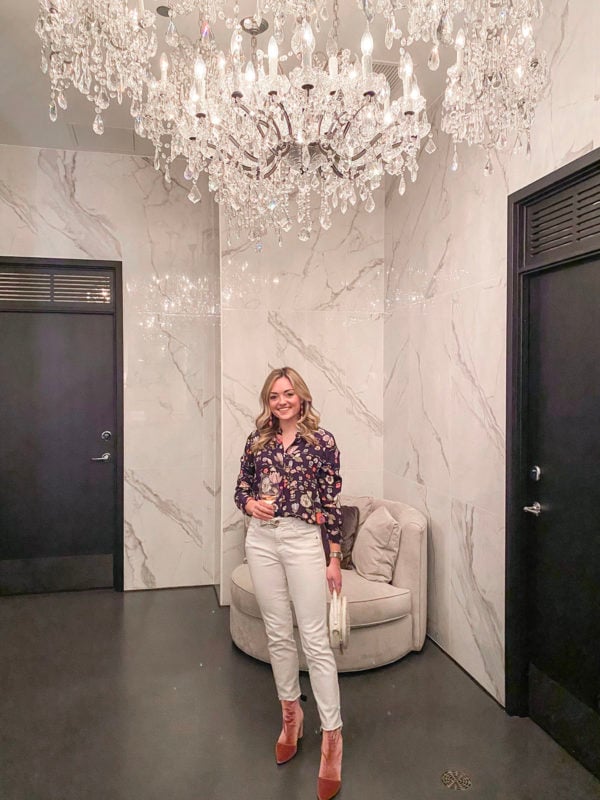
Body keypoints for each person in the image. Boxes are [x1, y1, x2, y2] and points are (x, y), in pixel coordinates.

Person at [234, 366, 344, 800]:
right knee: (278, 634)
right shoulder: (256, 440)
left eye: (288, 393)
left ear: (301, 397)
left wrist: (334, 556)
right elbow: (240, 487)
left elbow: (331, 500)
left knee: (315, 640)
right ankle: (291, 717)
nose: (281, 401)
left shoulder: (322, 442)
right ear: (268, 401)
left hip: (302, 540)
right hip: (261, 541)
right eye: (274, 395)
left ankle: (332, 736)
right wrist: (250, 503)